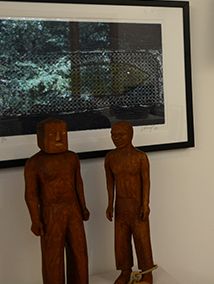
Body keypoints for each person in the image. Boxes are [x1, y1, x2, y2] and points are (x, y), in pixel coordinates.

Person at [24, 118, 89, 284]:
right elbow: (31, 194)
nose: (59, 138)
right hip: (50, 212)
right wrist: (35, 220)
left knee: (79, 251)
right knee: (52, 256)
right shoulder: (34, 163)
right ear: (40, 137)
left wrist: (83, 207)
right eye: (53, 135)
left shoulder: (72, 158)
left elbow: (78, 183)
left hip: (73, 209)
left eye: (63, 133)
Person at [104, 121, 155, 284]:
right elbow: (110, 183)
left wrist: (145, 204)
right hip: (120, 205)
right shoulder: (110, 158)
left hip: (137, 204)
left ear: (131, 135)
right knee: (121, 240)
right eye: (113, 135)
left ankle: (147, 272)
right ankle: (125, 271)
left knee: (142, 239)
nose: (116, 138)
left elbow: (146, 182)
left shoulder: (140, 157)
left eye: (121, 135)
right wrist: (110, 204)